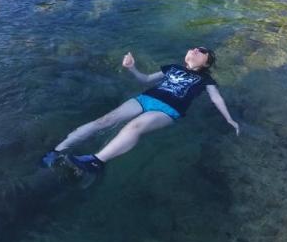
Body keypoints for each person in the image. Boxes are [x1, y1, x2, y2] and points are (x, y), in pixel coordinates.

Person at [41, 46, 238, 175]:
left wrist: (229, 119)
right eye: (192, 48)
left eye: (200, 50)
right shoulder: (171, 67)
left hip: (169, 110)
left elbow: (216, 98)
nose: (194, 50)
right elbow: (144, 80)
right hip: (146, 98)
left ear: (207, 62)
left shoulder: (206, 80)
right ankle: (56, 151)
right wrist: (132, 68)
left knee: (134, 127)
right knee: (103, 121)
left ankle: (96, 162)